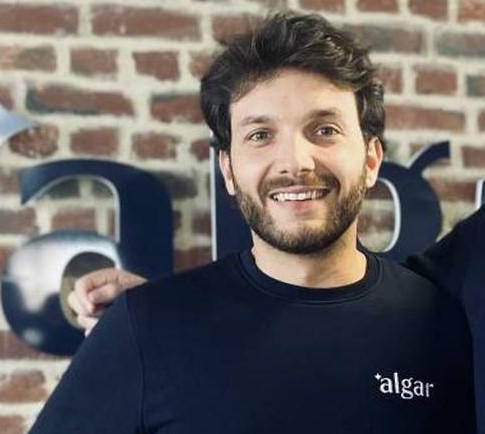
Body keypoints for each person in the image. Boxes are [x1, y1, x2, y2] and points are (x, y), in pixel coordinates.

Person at [29, 12, 476, 434]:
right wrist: (163, 325)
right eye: (260, 135)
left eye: (325, 130)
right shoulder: (146, 326)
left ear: (371, 159)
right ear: (227, 169)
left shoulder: (444, 323)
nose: (295, 162)